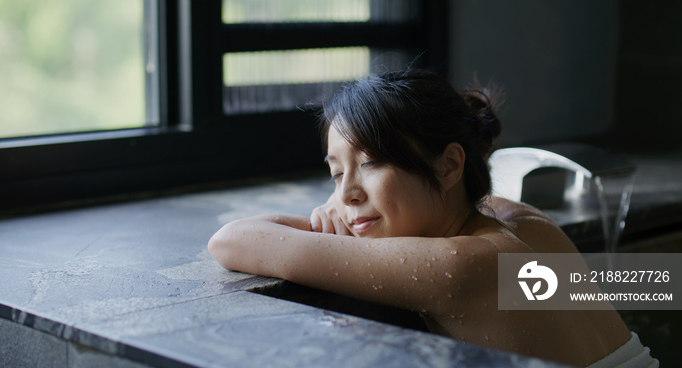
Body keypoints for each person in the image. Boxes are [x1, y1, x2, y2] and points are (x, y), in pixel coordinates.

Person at [209, 69, 657, 367]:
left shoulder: (462, 266)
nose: (346, 194)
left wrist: (324, 222)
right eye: (336, 173)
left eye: (370, 164)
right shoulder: (527, 223)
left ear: (448, 166)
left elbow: (231, 241)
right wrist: (347, 203)